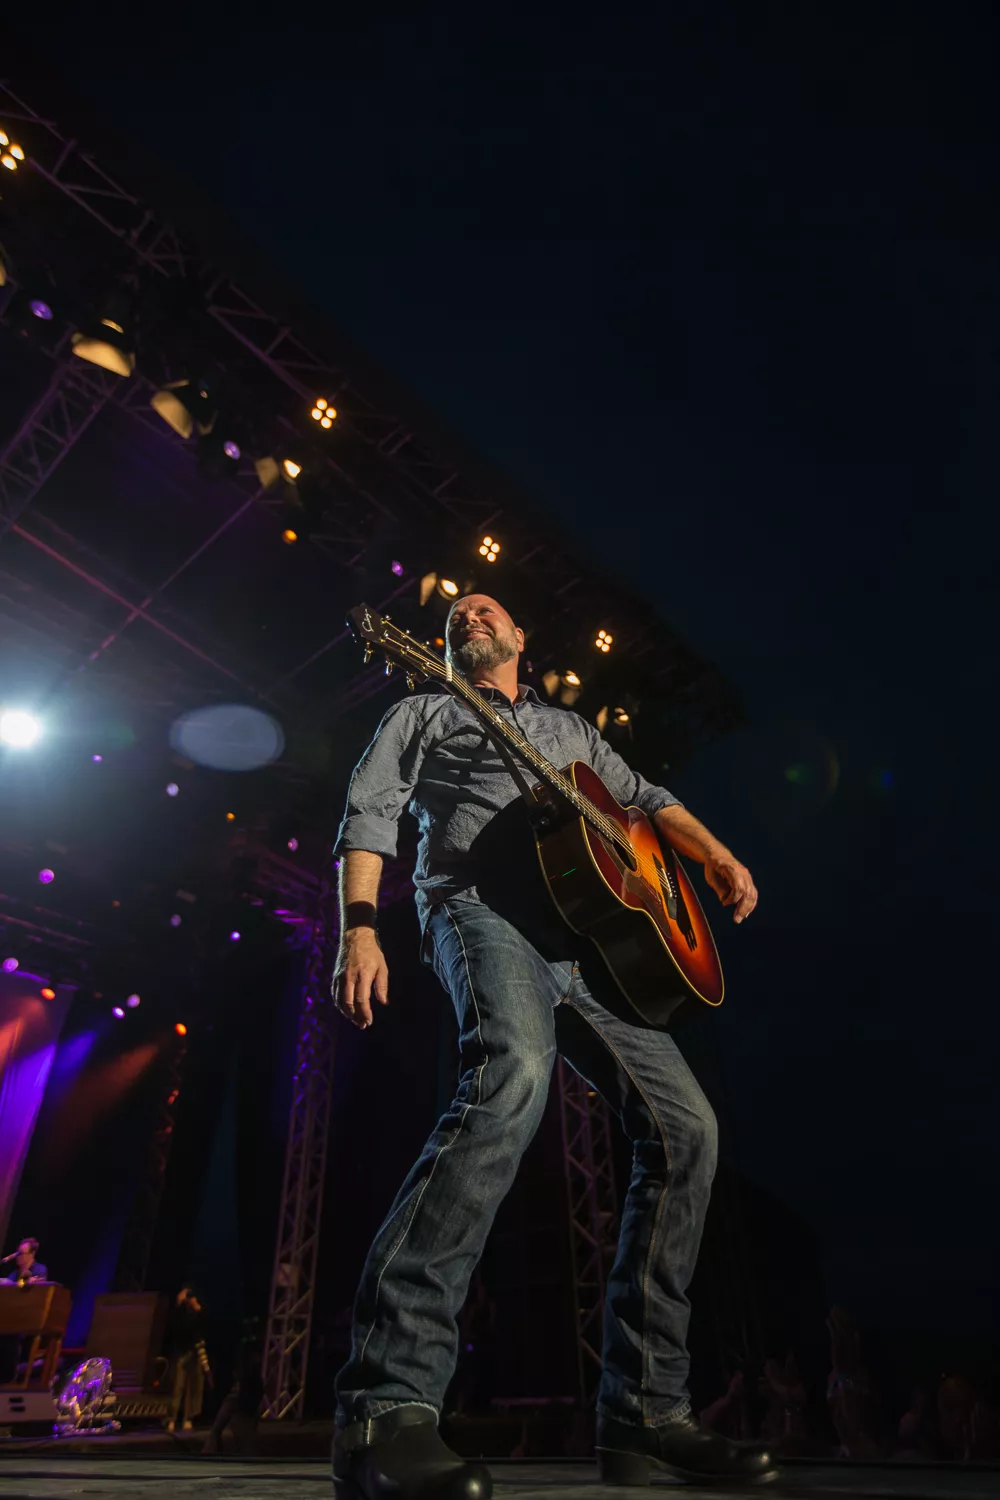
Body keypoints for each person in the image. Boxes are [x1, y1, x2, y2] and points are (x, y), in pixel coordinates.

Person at [330, 594, 773, 1499]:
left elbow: (645, 803)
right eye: (456, 612)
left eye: (486, 607)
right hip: (481, 911)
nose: (468, 612)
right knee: (514, 1077)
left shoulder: (570, 729)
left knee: (689, 1131)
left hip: (590, 944)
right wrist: (360, 928)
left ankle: (645, 1414)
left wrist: (712, 853)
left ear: (520, 638)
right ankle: (386, 1406)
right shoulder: (425, 708)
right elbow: (368, 812)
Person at [165, 1286, 211, 1433]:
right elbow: (174, 1327)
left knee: (194, 1386)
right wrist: (179, 1305)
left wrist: (198, 1310)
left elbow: (205, 1327)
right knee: (178, 1386)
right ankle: (172, 1418)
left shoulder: (199, 1312)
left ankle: (188, 1418)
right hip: (182, 1351)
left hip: (196, 1351)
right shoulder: (179, 1312)